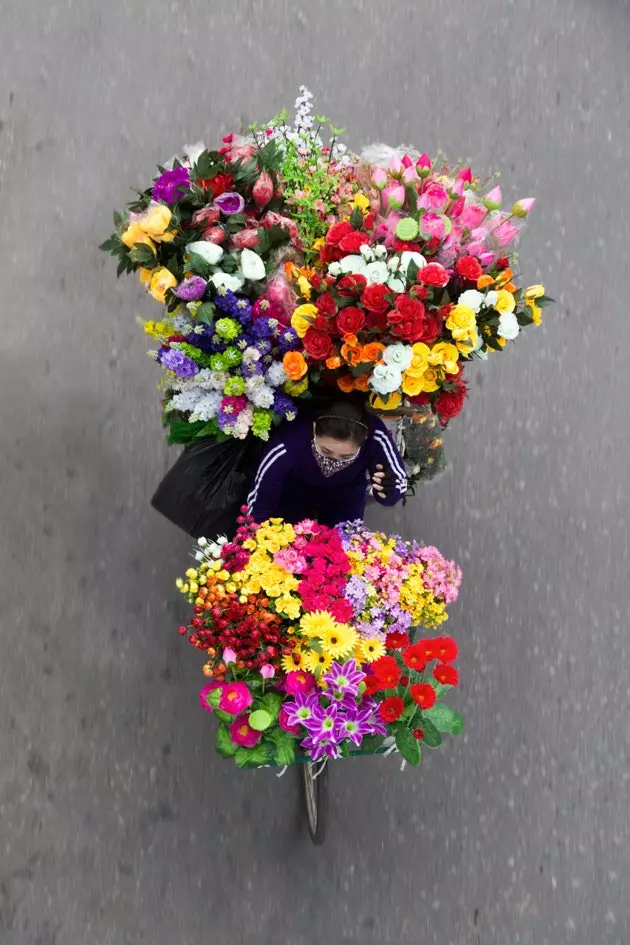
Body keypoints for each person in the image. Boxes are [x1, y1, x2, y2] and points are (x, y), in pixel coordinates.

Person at [247, 397, 407, 527]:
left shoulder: (376, 436)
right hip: (294, 492)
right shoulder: (288, 443)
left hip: (346, 493)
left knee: (346, 549)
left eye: (346, 457)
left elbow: (397, 481)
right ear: (314, 429)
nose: (334, 461)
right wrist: (256, 537)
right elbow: (260, 500)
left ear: (364, 440)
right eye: (326, 451)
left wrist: (388, 490)